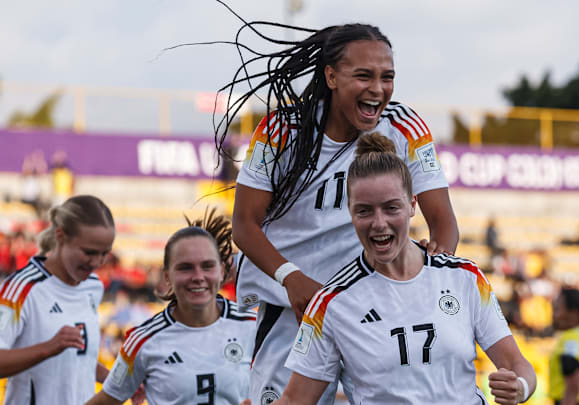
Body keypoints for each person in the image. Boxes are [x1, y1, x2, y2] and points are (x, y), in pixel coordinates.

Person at [223, 21, 459, 404]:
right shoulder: (281, 130)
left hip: (373, 308)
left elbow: (444, 223)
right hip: (292, 311)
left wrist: (434, 271)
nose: (378, 89)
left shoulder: (405, 127)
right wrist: (292, 279)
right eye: (363, 76)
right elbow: (244, 226)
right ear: (331, 76)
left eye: (387, 77)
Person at [273, 133, 535, 405]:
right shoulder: (329, 303)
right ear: (349, 212)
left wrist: (521, 387)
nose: (379, 223)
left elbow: (517, 364)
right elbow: (295, 400)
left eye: (391, 208)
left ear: (412, 205)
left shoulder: (465, 277)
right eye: (364, 211)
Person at [88, 209, 256, 405]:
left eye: (207, 266)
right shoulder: (143, 340)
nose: (198, 276)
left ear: (221, 271)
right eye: (185, 267)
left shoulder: (252, 325)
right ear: (167, 276)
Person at [0, 195, 115, 404]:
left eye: (104, 253)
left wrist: (112, 380)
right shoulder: (19, 290)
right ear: (61, 236)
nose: (97, 262)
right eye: (89, 252)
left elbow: (78, 359)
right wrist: (48, 348)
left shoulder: (93, 286)